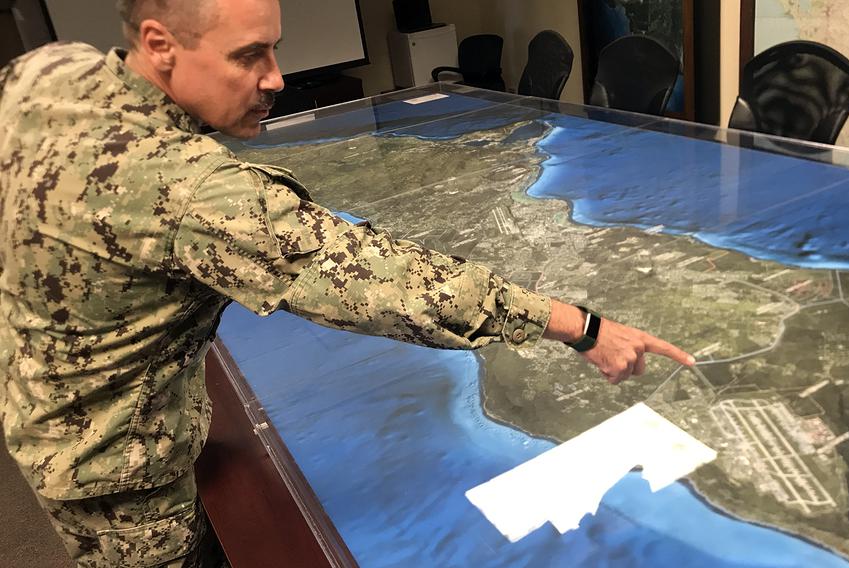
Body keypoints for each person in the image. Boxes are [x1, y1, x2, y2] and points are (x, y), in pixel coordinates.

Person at [0, 0, 695, 565]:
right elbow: (379, 279)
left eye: (273, 47)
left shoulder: (49, 69)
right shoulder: (183, 189)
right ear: (159, 43)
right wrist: (584, 328)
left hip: (43, 407)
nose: (275, 77)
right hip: (121, 479)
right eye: (248, 56)